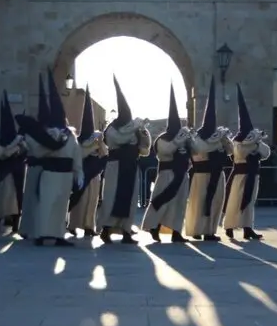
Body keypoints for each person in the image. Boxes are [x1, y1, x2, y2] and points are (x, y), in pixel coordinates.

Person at [30, 72, 83, 246]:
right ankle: (42, 234)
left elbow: (76, 153)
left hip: (66, 174)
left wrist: (79, 172)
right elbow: (38, 152)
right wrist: (52, 141)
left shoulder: (71, 135)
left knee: (61, 205)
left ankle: (59, 235)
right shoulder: (48, 135)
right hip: (51, 172)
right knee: (47, 203)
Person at [98, 76, 150, 244]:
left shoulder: (133, 129)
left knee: (131, 198)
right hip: (115, 166)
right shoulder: (112, 129)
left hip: (131, 166)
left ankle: (126, 230)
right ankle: (106, 229)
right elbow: (118, 140)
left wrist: (143, 133)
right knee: (112, 196)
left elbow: (144, 150)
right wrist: (134, 127)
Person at [141, 85, 192, 242]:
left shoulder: (184, 138)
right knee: (163, 201)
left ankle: (176, 231)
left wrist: (190, 138)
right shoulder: (163, 138)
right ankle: (154, 227)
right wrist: (178, 140)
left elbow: (196, 151)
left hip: (181, 174)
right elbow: (166, 151)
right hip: (167, 174)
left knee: (179, 204)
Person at [184, 79, 233, 241]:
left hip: (217, 174)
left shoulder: (218, 138)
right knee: (198, 203)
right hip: (201, 175)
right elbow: (200, 150)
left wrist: (225, 140)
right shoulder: (197, 137)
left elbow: (231, 151)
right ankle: (197, 229)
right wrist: (214, 141)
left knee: (215, 202)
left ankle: (210, 231)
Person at [222, 86, 272, 241]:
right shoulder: (238, 142)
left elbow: (266, 153)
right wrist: (251, 144)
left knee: (249, 202)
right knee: (235, 200)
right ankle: (229, 226)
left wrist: (257, 143)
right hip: (240, 175)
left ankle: (247, 228)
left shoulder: (255, 143)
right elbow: (240, 154)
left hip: (253, 174)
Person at [68, 86, 108, 238]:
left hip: (95, 173)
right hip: (82, 172)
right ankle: (73, 225)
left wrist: (100, 143)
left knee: (92, 201)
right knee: (80, 200)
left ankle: (89, 226)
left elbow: (104, 153)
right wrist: (90, 146)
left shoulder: (97, 141)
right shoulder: (79, 141)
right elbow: (80, 154)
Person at [17, 76, 53, 241]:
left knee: (36, 199)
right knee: (33, 198)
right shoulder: (36, 136)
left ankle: (32, 228)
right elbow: (40, 150)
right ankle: (31, 229)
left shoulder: (34, 135)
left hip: (39, 168)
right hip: (37, 168)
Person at [0, 91, 25, 237]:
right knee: (3, 200)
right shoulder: (0, 142)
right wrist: (14, 143)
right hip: (5, 172)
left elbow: (23, 151)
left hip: (18, 172)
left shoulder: (19, 141)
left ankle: (15, 225)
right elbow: (3, 153)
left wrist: (19, 143)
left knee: (18, 199)